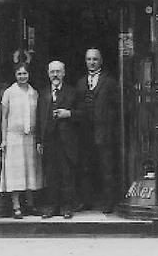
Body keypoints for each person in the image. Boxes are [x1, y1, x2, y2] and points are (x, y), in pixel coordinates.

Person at [37, 59, 83, 219]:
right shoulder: (42, 94)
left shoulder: (72, 92)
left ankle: (67, 207)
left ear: (64, 73)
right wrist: (39, 141)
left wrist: (69, 114)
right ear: (48, 74)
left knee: (67, 174)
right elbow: (38, 118)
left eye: (58, 72)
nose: (55, 75)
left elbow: (84, 114)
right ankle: (51, 207)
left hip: (67, 141)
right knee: (50, 174)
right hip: (49, 141)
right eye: (52, 72)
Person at [76, 48, 119, 213]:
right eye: (89, 59)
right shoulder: (80, 82)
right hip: (86, 132)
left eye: (95, 59)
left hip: (104, 132)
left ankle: (109, 202)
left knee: (106, 168)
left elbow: (117, 107)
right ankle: (86, 201)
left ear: (101, 61)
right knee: (86, 167)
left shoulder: (110, 81)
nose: (92, 62)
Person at [0, 62, 43, 218]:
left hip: (30, 137)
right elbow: (4, 117)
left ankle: (30, 205)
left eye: (25, 74)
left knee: (30, 171)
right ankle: (16, 206)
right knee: (15, 172)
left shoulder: (34, 93)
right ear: (15, 75)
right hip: (14, 137)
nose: (22, 77)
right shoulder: (9, 92)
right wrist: (4, 139)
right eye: (19, 74)